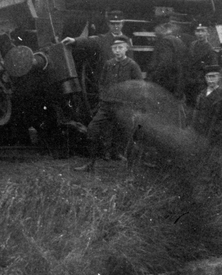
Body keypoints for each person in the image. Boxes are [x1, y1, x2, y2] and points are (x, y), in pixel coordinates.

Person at [74, 36, 143, 171]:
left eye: (120, 48)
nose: (117, 51)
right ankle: (90, 164)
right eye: (114, 48)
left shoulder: (132, 66)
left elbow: (139, 86)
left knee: (128, 136)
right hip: (107, 106)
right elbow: (102, 83)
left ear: (126, 49)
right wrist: (103, 99)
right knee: (93, 129)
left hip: (124, 108)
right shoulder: (108, 64)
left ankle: (131, 169)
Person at [61, 10, 133, 97]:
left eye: (118, 23)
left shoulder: (127, 41)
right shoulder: (102, 40)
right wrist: (74, 40)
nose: (116, 26)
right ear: (108, 24)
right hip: (107, 84)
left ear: (122, 24)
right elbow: (88, 41)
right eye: (113, 24)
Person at [191, 64, 222, 185]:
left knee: (218, 164)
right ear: (205, 78)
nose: (211, 80)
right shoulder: (201, 95)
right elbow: (196, 114)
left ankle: (218, 188)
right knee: (203, 162)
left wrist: (217, 131)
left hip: (217, 136)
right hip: (202, 134)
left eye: (214, 77)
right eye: (208, 77)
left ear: (219, 78)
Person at [147, 19, 187, 102]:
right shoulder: (178, 41)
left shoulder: (164, 42)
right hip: (177, 84)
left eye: (155, 28)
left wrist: (153, 77)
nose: (155, 31)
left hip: (165, 85)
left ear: (161, 28)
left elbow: (165, 63)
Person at [185, 21, 219, 106]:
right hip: (190, 83)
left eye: (203, 31)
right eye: (198, 31)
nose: (200, 34)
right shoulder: (192, 45)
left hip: (202, 84)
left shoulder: (210, 50)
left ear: (208, 33)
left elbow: (213, 71)